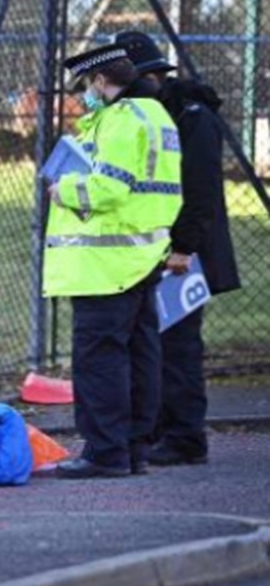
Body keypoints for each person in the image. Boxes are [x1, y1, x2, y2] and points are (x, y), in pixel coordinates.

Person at [46, 44, 183, 479]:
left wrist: (64, 189)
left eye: (88, 84)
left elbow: (109, 187)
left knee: (100, 359)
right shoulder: (157, 116)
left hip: (105, 262)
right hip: (143, 254)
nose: (85, 94)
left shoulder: (121, 119)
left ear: (102, 81)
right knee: (141, 354)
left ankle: (105, 451)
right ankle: (134, 448)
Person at [114, 32, 242, 467]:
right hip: (154, 246)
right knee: (153, 340)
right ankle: (157, 428)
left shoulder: (191, 116)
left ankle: (185, 435)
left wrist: (185, 247)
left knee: (179, 343)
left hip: (186, 253)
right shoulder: (156, 114)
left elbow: (200, 189)